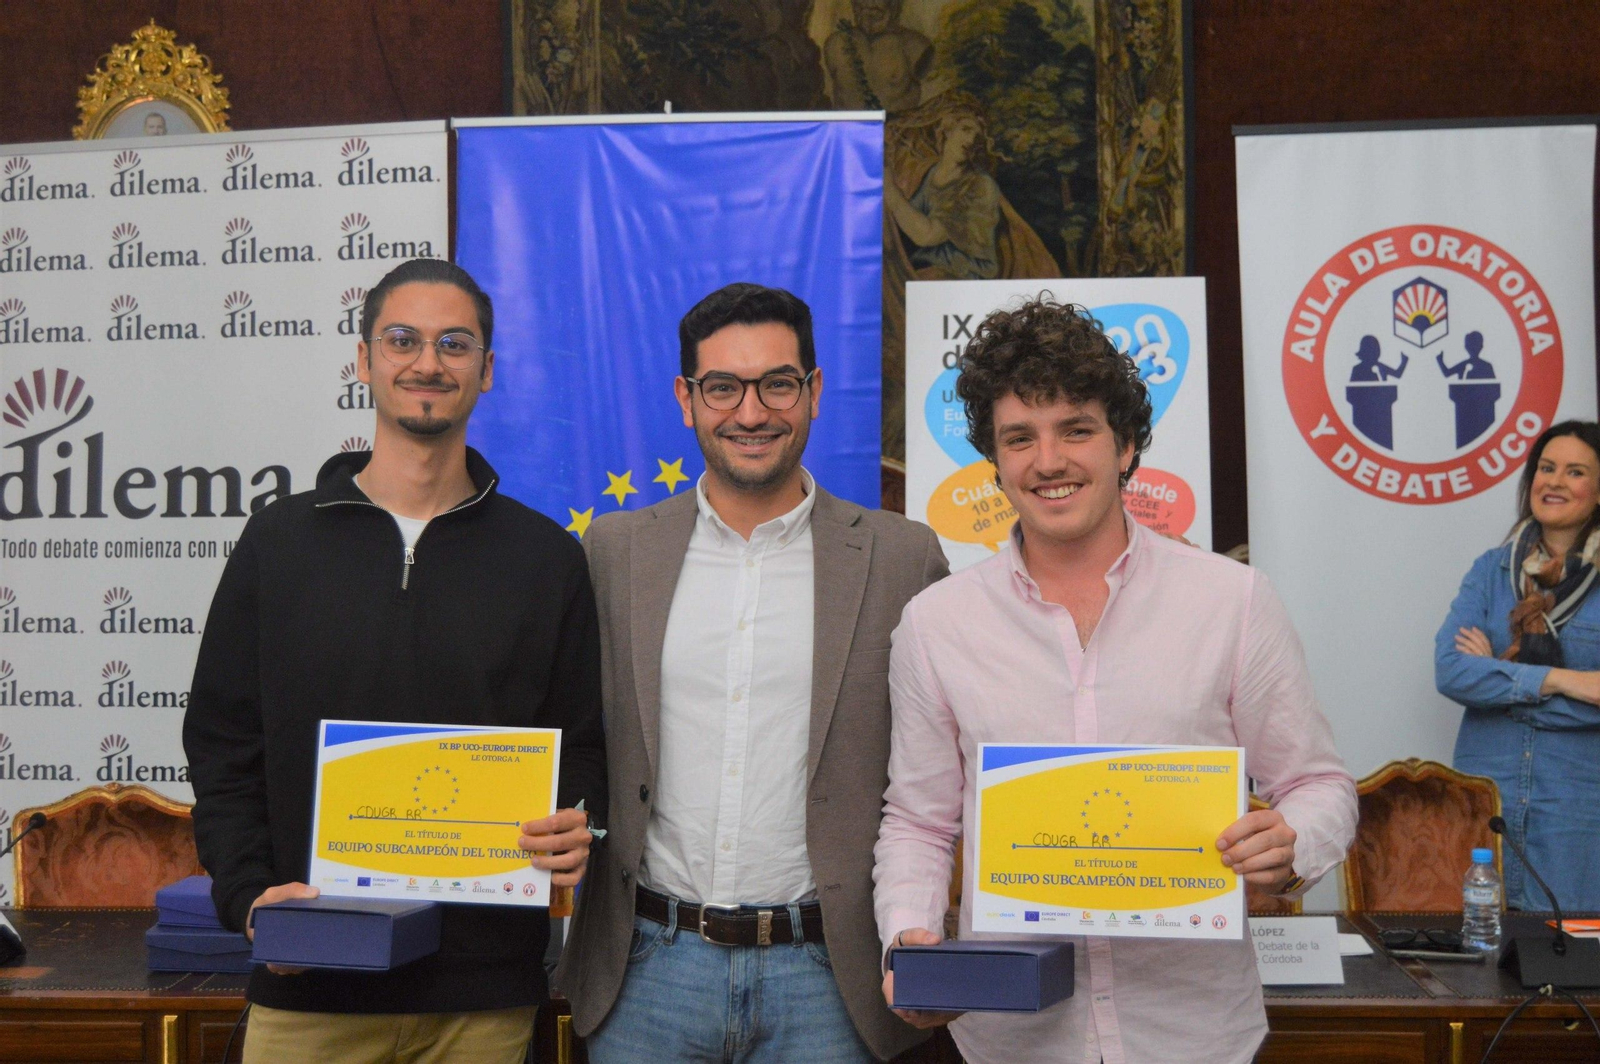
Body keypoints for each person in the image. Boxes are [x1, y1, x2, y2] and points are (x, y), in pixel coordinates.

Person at [872, 296, 1357, 1063]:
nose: (1049, 460)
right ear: (995, 462)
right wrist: (913, 939)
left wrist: (1296, 841)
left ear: (1127, 444)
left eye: (1077, 430)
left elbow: (1319, 784)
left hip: (1195, 1034)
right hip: (1013, 1040)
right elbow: (920, 821)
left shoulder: (1231, 602)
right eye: (1019, 438)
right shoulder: (937, 625)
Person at [183, 258, 606, 1064]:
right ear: (364, 360)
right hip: (309, 980)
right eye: (402, 339)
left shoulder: (546, 557)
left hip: (483, 1000)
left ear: (486, 369)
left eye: (455, 343)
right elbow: (223, 744)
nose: (428, 363)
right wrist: (249, 900)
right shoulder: (279, 543)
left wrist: (574, 825)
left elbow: (581, 741)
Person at [557, 282, 949, 1062]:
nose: (750, 412)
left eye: (777, 384)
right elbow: (580, 738)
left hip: (829, 981)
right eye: (722, 388)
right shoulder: (615, 552)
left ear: (812, 392)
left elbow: (939, 768)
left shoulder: (903, 557)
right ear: (686, 398)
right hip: (648, 975)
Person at [1436, 420, 1600, 911]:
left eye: (1575, 472)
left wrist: (1499, 683)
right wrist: (1563, 680)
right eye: (1546, 468)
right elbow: (1450, 670)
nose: (1555, 481)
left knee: (1576, 963)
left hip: (1577, 808)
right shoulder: (1492, 569)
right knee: (1481, 962)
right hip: (1489, 801)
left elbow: (1476, 679)